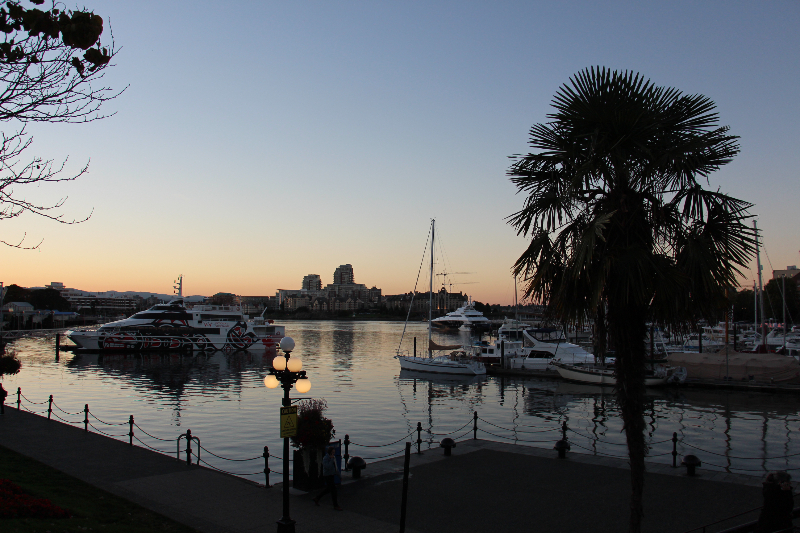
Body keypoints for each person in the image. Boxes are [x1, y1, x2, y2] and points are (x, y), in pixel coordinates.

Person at [313, 446, 342, 511]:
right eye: (332, 452)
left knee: (329, 489)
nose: (333, 454)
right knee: (333, 490)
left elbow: (336, 468)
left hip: (331, 475)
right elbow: (327, 466)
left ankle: (317, 498)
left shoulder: (333, 458)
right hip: (327, 475)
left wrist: (339, 476)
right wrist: (331, 459)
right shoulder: (325, 458)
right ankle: (335, 505)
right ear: (329, 452)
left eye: (334, 452)